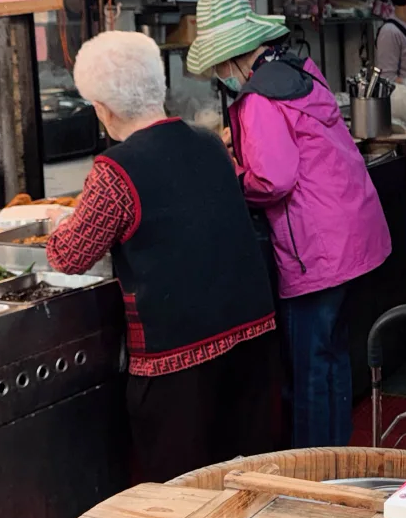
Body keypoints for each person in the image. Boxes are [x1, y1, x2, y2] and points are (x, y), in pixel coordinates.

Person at [45, 31, 282, 482]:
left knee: (184, 489)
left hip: (179, 356)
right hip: (250, 334)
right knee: (247, 474)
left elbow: (69, 255)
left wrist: (59, 225)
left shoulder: (115, 170)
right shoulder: (208, 143)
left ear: (103, 109)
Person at [188, 0, 392, 448]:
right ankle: (336, 457)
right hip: (352, 236)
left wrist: (230, 174)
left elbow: (271, 180)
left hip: (316, 252)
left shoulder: (258, 99)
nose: (222, 76)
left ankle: (314, 479)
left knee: (308, 369)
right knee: (332, 357)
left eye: (221, 66)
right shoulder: (301, 71)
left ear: (234, 57)